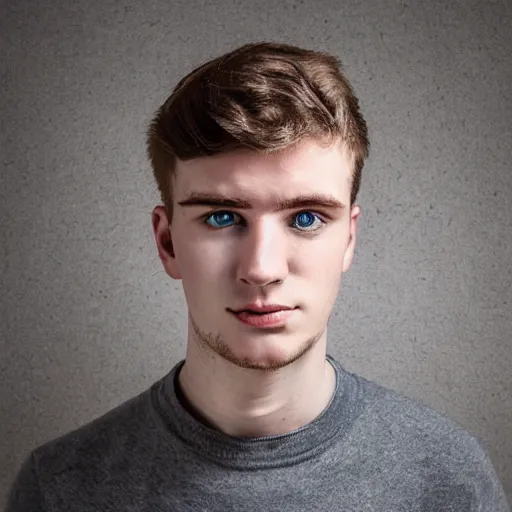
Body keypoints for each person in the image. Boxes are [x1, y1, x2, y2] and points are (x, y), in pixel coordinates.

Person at [5, 41, 510, 511]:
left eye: (306, 218)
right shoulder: (60, 489)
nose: (262, 269)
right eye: (222, 217)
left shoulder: (447, 481)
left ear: (349, 240)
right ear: (167, 241)